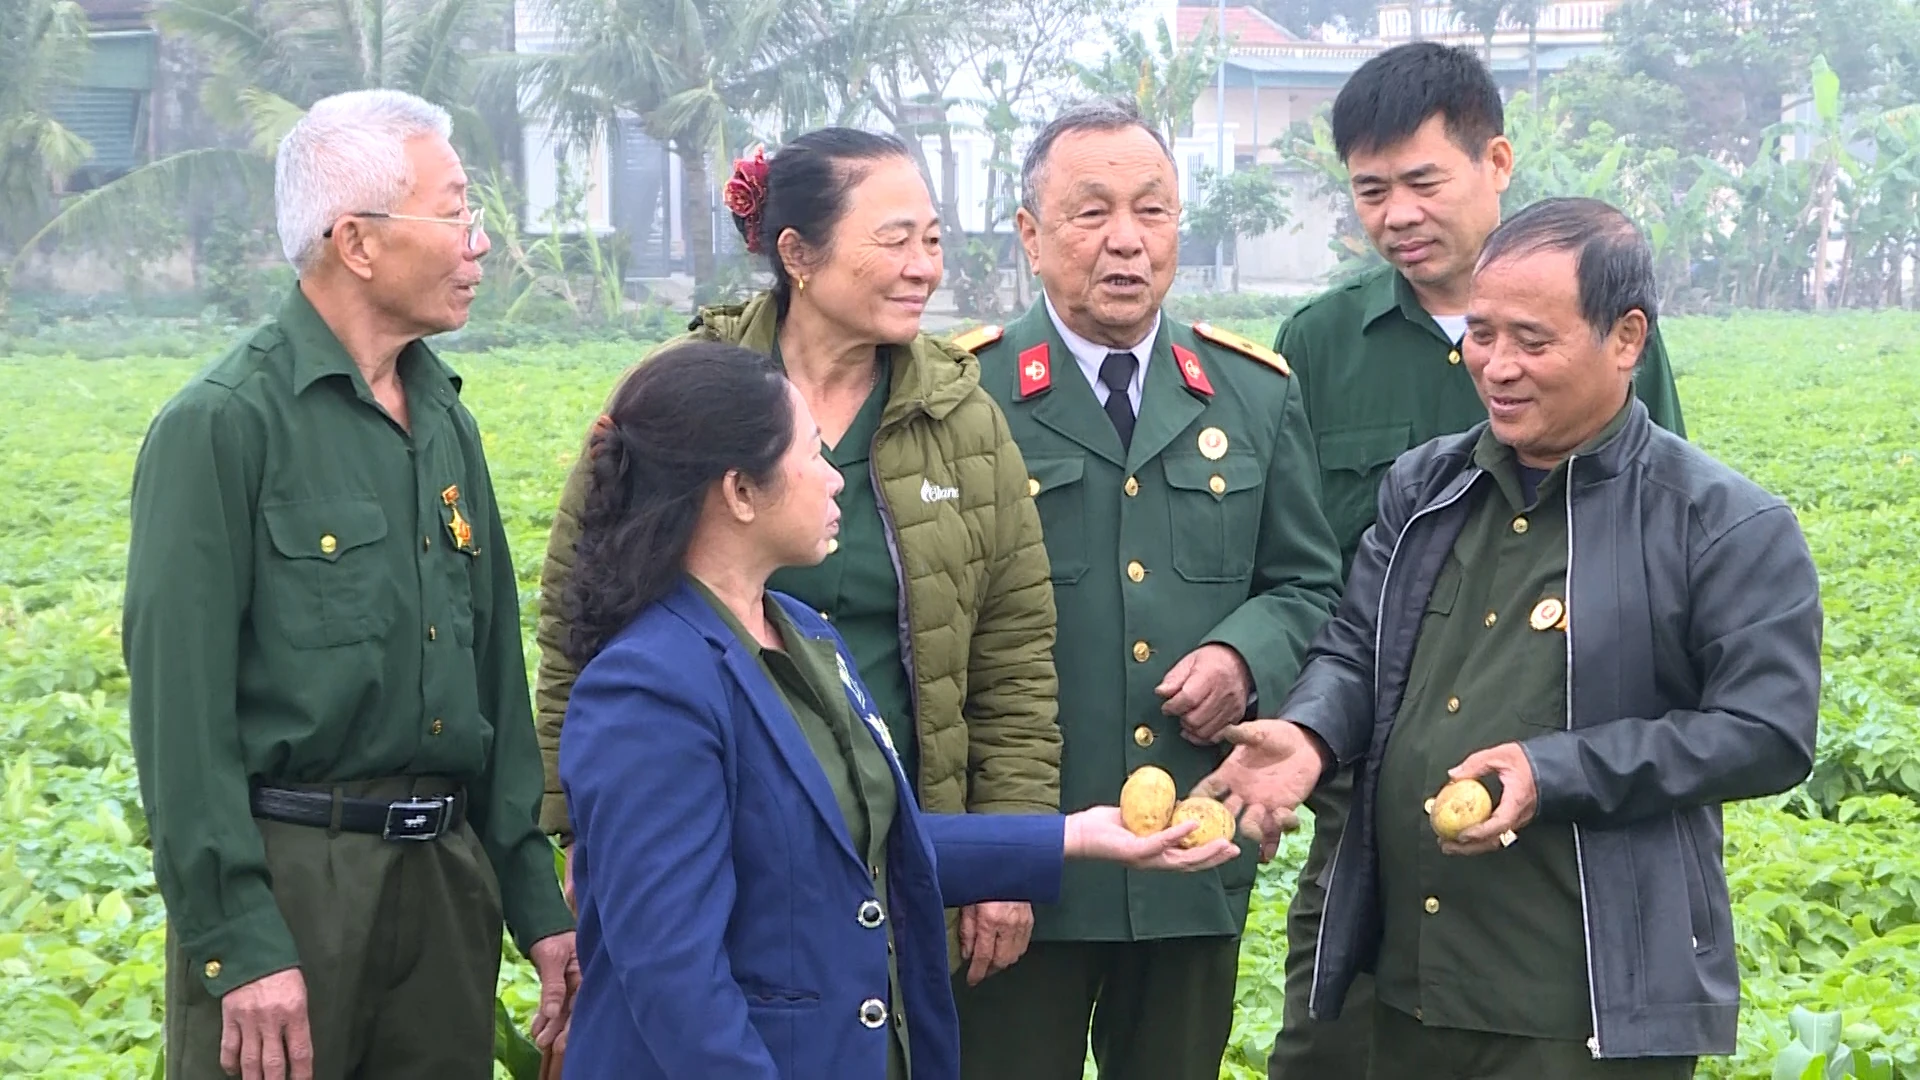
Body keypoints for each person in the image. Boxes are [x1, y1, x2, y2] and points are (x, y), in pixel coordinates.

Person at [1196, 198, 1822, 1079]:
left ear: (1627, 338)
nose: (1496, 366)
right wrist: (1308, 734)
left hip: (1577, 1003)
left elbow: (1768, 734)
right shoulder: (1429, 487)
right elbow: (1356, 646)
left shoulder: (1721, 524)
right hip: (1402, 974)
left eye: (1532, 341)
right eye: (1481, 334)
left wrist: (1553, 770)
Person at [554, 341, 1238, 1079]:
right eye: (812, 456)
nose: (832, 480)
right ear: (740, 493)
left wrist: (1075, 837)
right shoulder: (649, 690)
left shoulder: (802, 632)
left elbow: (868, 847)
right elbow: (674, 980)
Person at [533, 129, 1062, 988]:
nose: (924, 267)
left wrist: (1007, 849)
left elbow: (1012, 653)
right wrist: (579, 832)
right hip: (712, 839)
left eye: (933, 239)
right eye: (894, 240)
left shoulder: (961, 415)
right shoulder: (686, 395)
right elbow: (580, 617)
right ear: (798, 254)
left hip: (905, 845)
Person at [123, 90, 575, 1080]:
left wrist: (538, 904)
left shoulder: (444, 420)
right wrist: (237, 937)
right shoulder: (222, 426)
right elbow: (178, 717)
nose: (479, 242)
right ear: (357, 242)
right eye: (455, 212)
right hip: (295, 890)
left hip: (444, 886)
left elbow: (496, 680)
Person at [1266, 43, 1689, 1079]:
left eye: (1423, 181)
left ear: (1495, 161)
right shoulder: (1321, 343)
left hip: (1560, 782)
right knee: (1337, 1039)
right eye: (1371, 190)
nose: (1398, 213)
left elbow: (1648, 529)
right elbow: (1313, 573)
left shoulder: (1608, 326)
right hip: (1372, 787)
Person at [953, 98, 1345, 1080]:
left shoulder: (1253, 392)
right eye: (1092, 213)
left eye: (1153, 210)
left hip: (1189, 851)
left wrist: (1244, 654)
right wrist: (983, 853)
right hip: (1024, 862)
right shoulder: (962, 397)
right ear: (1033, 238)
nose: (1126, 241)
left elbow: (1308, 582)